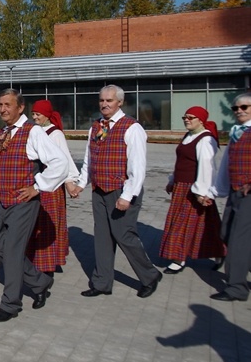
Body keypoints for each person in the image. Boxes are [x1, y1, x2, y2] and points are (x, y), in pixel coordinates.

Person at [0, 89, 67, 322]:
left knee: (12, 250)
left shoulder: (34, 132)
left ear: (20, 108)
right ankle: (40, 282)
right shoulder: (2, 134)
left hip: (23, 202)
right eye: (0, 105)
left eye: (8, 104)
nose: (3, 109)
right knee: (0, 247)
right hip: (1, 200)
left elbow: (60, 163)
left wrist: (37, 186)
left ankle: (10, 303)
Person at [70, 85, 162, 298]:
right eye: (101, 100)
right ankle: (102, 282)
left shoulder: (132, 127)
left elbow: (137, 167)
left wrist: (127, 196)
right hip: (99, 190)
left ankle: (149, 275)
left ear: (120, 102)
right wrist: (80, 184)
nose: (104, 104)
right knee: (102, 237)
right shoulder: (96, 127)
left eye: (109, 101)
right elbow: (89, 160)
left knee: (124, 235)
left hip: (121, 190)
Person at [160, 107, 225, 274]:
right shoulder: (189, 135)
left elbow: (207, 167)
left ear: (201, 120)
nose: (186, 120)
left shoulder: (205, 140)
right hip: (181, 187)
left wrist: (201, 191)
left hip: (194, 188)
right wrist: (172, 180)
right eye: (185, 117)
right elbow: (180, 162)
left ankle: (178, 258)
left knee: (182, 224)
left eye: (190, 117)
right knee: (207, 224)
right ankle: (220, 252)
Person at [27, 100, 80, 276]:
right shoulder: (33, 131)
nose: (35, 117)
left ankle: (50, 260)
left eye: (38, 114)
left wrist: (70, 181)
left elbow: (65, 157)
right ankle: (37, 257)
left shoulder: (55, 134)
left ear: (47, 115)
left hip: (51, 185)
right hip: (36, 182)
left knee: (50, 223)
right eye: (33, 113)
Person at [209, 94, 251, 301]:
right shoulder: (237, 132)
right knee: (225, 233)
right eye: (235, 108)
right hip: (235, 192)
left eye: (245, 106)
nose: (239, 111)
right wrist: (217, 190)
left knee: (238, 242)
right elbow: (227, 163)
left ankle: (237, 288)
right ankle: (242, 268)